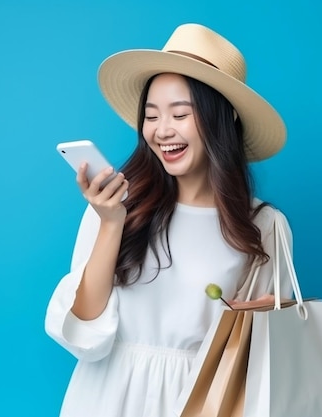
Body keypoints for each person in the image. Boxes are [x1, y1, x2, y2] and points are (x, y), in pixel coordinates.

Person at [44, 23, 293, 417]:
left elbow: (259, 363)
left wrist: (271, 320)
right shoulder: (114, 204)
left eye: (180, 114)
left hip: (199, 402)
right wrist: (111, 223)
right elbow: (84, 335)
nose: (162, 131)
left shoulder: (263, 225)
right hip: (104, 399)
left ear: (223, 118)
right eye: (151, 115)